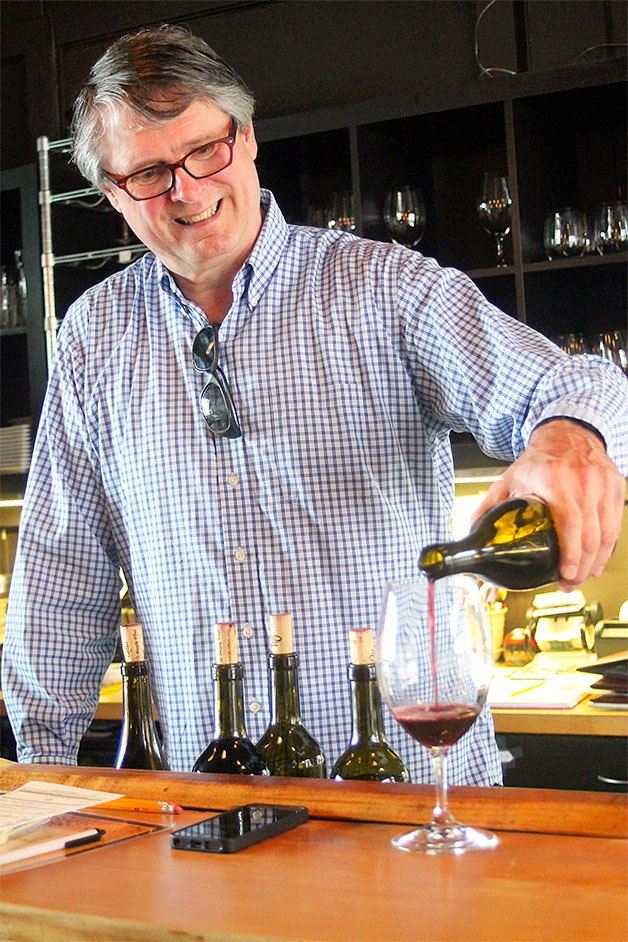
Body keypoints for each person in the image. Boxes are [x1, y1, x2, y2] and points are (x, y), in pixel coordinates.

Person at [3, 26, 626, 784]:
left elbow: (575, 384)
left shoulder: (386, 289)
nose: (188, 190)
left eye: (205, 150)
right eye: (149, 172)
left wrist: (568, 442)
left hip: (414, 793)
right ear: (110, 193)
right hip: (217, 807)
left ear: (248, 137)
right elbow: (61, 589)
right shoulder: (94, 340)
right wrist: (39, 784)